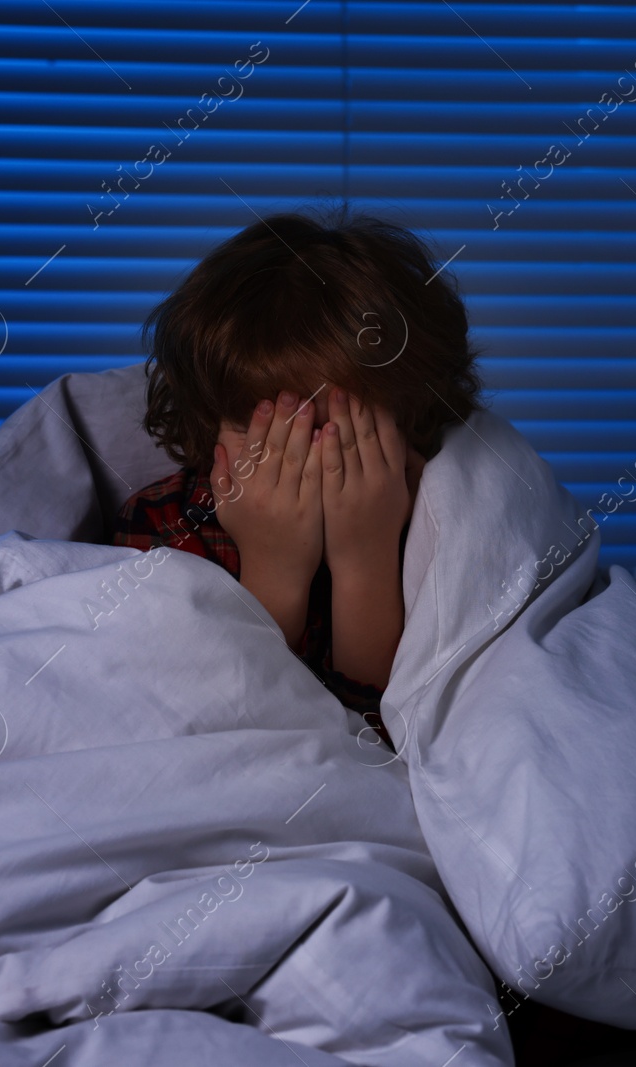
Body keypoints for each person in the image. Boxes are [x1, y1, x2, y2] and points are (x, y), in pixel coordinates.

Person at [110, 207, 483, 747]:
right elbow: (204, 728)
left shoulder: (437, 529)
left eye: (343, 436)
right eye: (268, 436)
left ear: (410, 424)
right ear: (205, 424)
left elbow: (386, 746)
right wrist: (274, 568)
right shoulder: (165, 527)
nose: (306, 466)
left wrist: (366, 557)